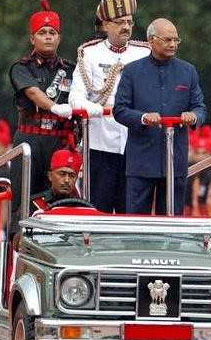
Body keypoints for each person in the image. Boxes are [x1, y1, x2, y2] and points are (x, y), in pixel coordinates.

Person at [114, 18, 207, 215]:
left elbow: (200, 108)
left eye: (176, 40)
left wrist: (194, 116)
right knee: (137, 223)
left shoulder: (187, 71)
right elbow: (120, 110)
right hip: (141, 161)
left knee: (172, 224)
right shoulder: (132, 71)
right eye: (167, 40)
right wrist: (143, 117)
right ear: (151, 40)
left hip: (175, 161)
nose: (173, 44)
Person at [69, 0, 150, 214]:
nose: (126, 27)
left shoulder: (144, 53)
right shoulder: (90, 53)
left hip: (136, 145)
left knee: (132, 213)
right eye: (119, 22)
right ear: (105, 25)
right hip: (100, 143)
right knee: (98, 210)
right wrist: (93, 108)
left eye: (129, 22)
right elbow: (75, 98)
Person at [8, 0, 74, 226]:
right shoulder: (22, 67)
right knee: (22, 201)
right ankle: (16, 253)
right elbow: (34, 94)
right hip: (29, 141)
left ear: (59, 38)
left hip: (59, 141)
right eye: (42, 32)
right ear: (32, 38)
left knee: (60, 198)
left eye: (52, 32)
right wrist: (54, 107)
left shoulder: (71, 69)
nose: (48, 36)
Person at [30, 149, 83, 214]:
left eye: (72, 176)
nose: (67, 180)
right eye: (62, 174)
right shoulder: (34, 204)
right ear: (50, 176)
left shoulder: (82, 207)